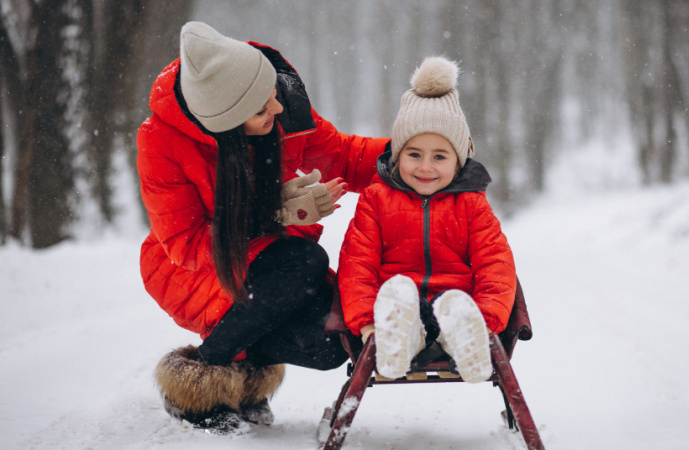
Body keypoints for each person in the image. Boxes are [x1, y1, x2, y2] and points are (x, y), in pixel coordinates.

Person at [136, 22, 388, 434]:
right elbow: (185, 243)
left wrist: (413, 153)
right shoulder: (160, 141)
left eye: (270, 95)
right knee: (304, 259)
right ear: (226, 123)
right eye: (259, 109)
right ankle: (200, 380)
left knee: (332, 341)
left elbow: (344, 156)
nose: (275, 107)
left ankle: (246, 374)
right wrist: (272, 215)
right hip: (191, 270)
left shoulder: (280, 106)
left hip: (275, 264)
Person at [337, 57, 517, 384]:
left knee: (456, 313)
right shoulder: (377, 200)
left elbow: (496, 266)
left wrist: (488, 322)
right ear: (397, 155)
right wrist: (367, 324)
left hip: (454, 305)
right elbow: (356, 265)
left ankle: (468, 342)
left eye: (439, 156)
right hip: (397, 310)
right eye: (414, 154)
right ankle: (396, 345)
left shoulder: (471, 205)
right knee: (399, 305)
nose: (425, 167)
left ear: (459, 160)